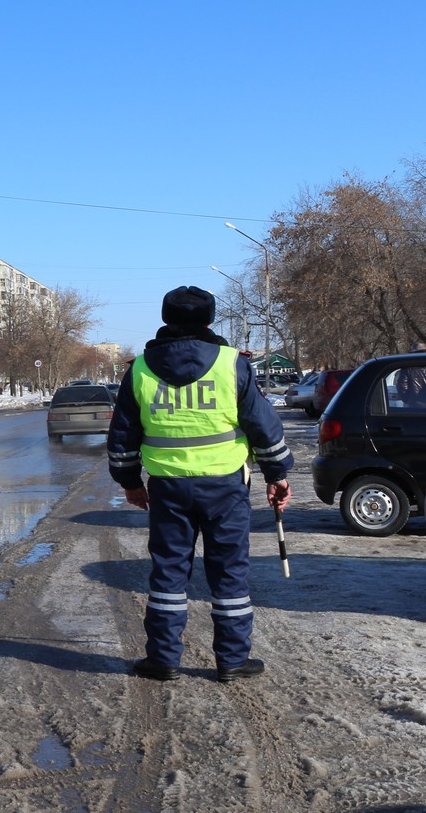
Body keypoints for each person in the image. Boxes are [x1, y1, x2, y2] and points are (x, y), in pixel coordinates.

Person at [107, 285, 293, 683]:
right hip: (225, 487)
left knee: (169, 574)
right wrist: (277, 474)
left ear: (165, 319)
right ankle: (232, 660)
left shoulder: (139, 369)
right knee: (229, 573)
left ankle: (162, 659)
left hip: (168, 488)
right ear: (209, 320)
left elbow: (122, 435)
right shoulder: (232, 364)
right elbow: (262, 424)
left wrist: (129, 481)